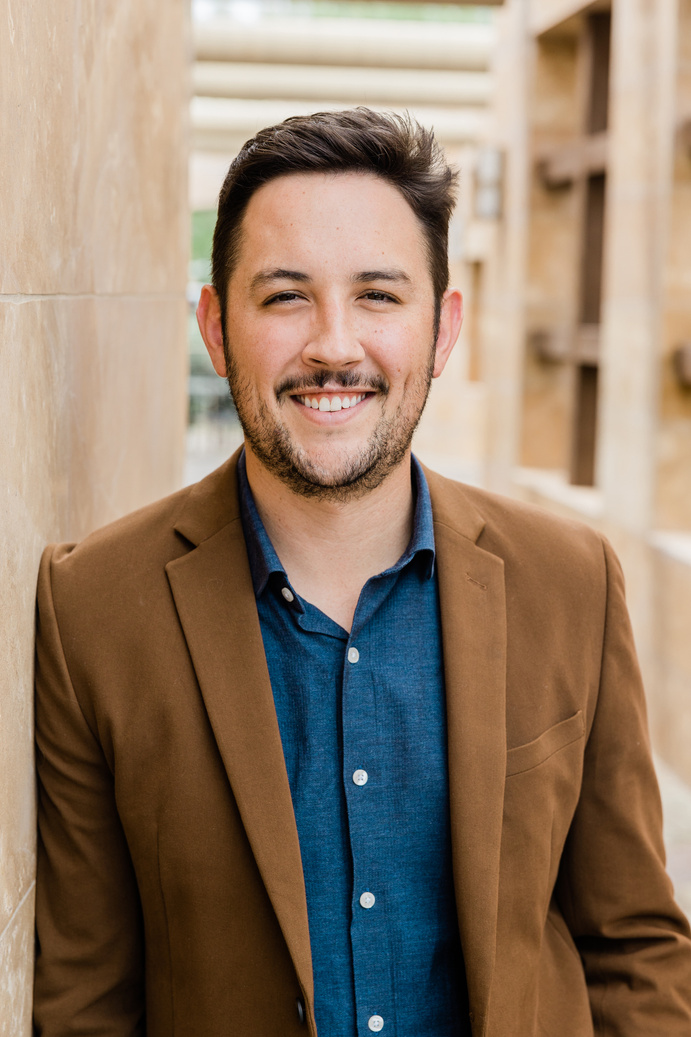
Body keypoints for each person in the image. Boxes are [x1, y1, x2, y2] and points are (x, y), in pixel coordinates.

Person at [34, 108, 691, 1037]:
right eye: (284, 296)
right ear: (216, 328)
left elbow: (634, 947)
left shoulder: (568, 582)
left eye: (378, 296)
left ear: (442, 329)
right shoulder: (91, 609)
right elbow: (86, 1000)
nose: (334, 345)